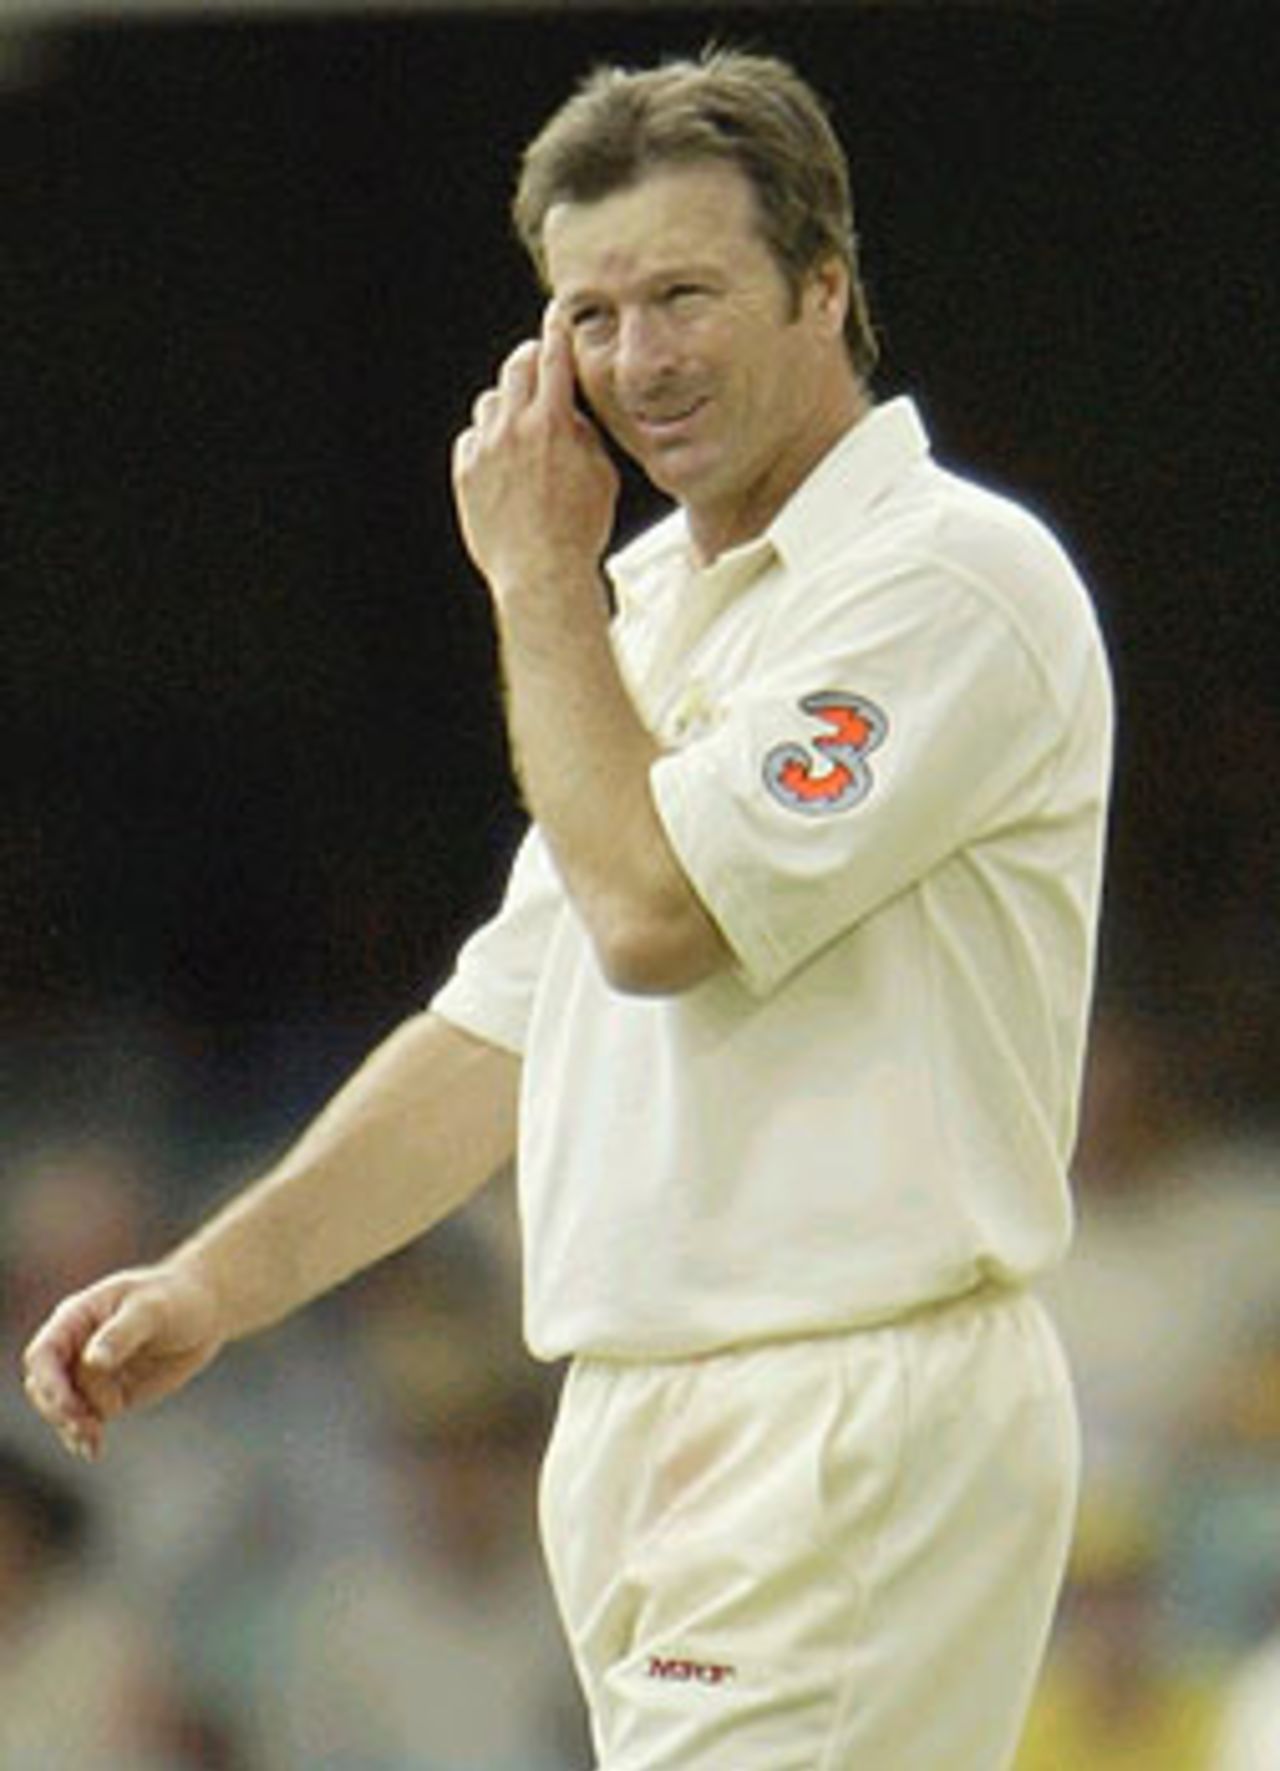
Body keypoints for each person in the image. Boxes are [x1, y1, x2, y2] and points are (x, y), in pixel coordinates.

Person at [22, 47, 1113, 1769]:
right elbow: (507, 1023)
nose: (638, 361)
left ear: (825, 286)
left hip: (839, 1400)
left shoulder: (944, 580)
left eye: (684, 293)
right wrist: (216, 1284)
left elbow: (654, 920)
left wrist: (535, 584)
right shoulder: (658, 601)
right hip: (645, 1414)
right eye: (590, 314)